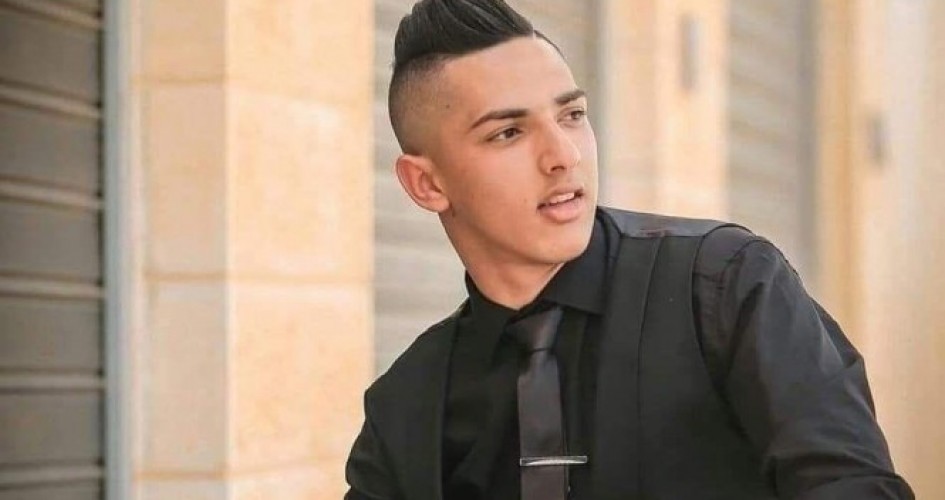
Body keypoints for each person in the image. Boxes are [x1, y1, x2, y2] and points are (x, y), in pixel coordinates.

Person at [344, 1, 914, 498]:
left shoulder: (726, 286)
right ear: (427, 184)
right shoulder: (406, 407)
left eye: (571, 115)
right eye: (508, 133)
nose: (563, 155)